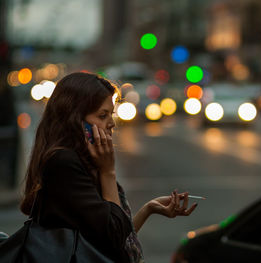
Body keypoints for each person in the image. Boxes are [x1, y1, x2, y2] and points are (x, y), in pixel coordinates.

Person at [20, 72, 197, 263]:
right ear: (75, 118)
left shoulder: (81, 160)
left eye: (111, 114)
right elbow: (112, 235)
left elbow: (110, 239)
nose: (112, 123)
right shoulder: (63, 163)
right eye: (103, 115)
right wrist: (108, 172)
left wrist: (148, 209)